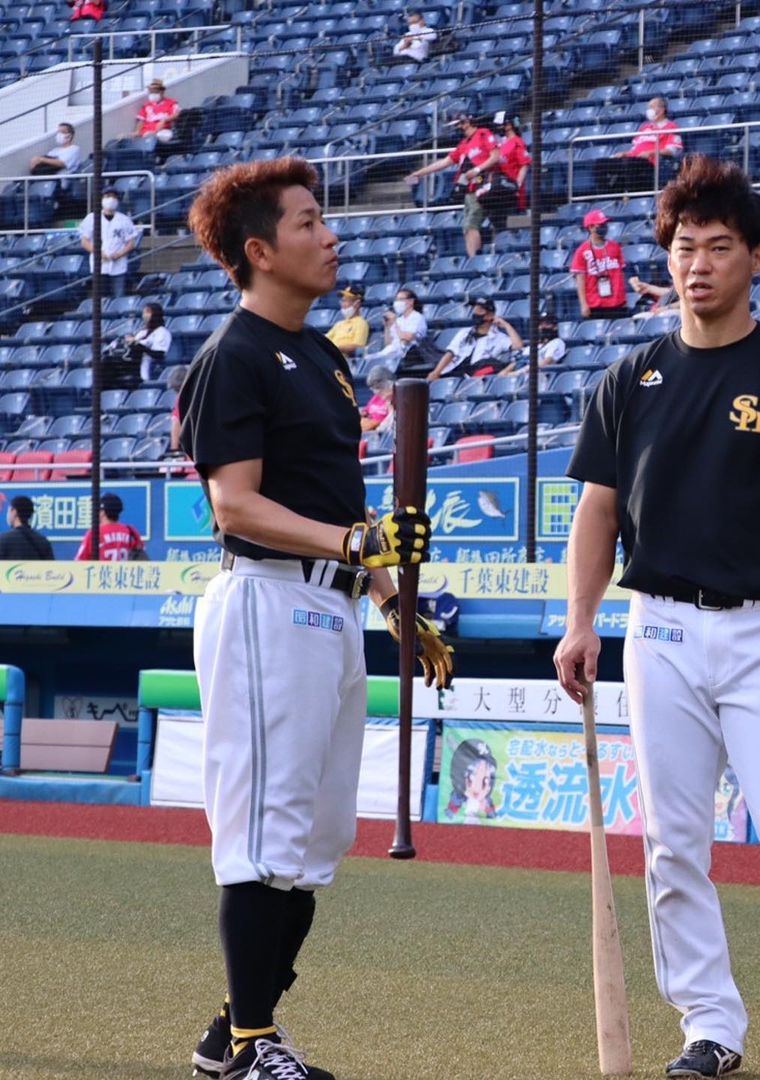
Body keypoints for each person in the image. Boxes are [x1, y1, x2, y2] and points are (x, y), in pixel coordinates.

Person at [553, 157, 760, 1080]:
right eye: (685, 247)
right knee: (672, 842)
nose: (698, 264)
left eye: (719, 247)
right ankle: (710, 1026)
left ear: (756, 258)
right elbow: (596, 512)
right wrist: (580, 620)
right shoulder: (629, 378)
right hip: (660, 630)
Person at [178, 157, 452, 1080]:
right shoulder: (233, 356)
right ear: (259, 251)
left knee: (314, 840)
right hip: (265, 600)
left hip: (330, 607)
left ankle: (232, 1030)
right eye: (306, 222)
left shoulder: (324, 356)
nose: (329, 236)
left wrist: (391, 600)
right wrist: (355, 542)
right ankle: (254, 1048)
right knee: (266, 835)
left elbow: (343, 504)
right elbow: (235, 506)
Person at [404, 104, 499, 256]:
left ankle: (474, 258)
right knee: (467, 227)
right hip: (469, 189)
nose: (457, 128)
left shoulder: (483, 134)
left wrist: (477, 170)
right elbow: (444, 163)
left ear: (466, 122)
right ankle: (473, 257)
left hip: (484, 181)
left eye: (458, 124)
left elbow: (495, 156)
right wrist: (418, 173)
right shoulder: (463, 145)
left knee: (471, 224)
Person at [596, 96, 683, 195]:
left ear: (662, 110)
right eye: (649, 108)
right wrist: (625, 153)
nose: (649, 110)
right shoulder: (644, 127)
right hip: (634, 159)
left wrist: (650, 152)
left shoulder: (671, 126)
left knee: (628, 164)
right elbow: (635, 149)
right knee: (600, 164)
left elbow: (673, 150)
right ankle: (609, 196)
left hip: (651, 162)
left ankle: (632, 196)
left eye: (652, 107)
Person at [428, 296, 522, 380]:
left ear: (490, 315)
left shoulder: (499, 337)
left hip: (478, 374)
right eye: (474, 309)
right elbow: (450, 353)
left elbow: (518, 346)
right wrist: (436, 372)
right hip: (455, 370)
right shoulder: (464, 332)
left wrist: (506, 325)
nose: (475, 312)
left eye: (480, 310)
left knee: (492, 364)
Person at [78, 188, 139, 299]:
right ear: (101, 199)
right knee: (100, 299)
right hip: (99, 264)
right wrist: (99, 253)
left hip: (119, 264)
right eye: (107, 196)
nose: (111, 199)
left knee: (118, 297)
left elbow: (131, 243)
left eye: (114, 197)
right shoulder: (91, 218)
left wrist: (119, 254)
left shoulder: (124, 220)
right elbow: (84, 241)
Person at [571, 210, 628, 320]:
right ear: (591, 227)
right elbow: (580, 279)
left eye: (605, 224)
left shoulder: (615, 246)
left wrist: (624, 298)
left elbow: (621, 273)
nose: (604, 227)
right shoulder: (582, 251)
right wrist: (583, 304)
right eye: (601, 224)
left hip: (617, 302)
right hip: (595, 305)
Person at [371, 287, 429, 371]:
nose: (397, 302)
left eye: (401, 299)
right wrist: (387, 326)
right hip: (393, 353)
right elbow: (388, 343)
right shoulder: (399, 320)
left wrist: (394, 323)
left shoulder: (417, 317)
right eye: (396, 300)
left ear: (411, 301)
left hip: (411, 355)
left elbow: (407, 337)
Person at [74, 493, 146, 561]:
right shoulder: (130, 531)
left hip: (102, 570)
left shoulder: (95, 533)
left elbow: (79, 561)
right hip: (124, 570)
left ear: (103, 512)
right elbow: (141, 558)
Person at [500, 309, 565, 373]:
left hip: (539, 375)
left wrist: (517, 373)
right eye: (540, 324)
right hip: (520, 374)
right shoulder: (536, 345)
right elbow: (518, 362)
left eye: (547, 324)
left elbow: (546, 362)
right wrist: (503, 374)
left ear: (555, 327)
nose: (542, 327)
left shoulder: (557, 342)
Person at [125, 301, 172, 383]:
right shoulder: (142, 332)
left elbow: (159, 355)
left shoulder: (162, 332)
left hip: (147, 370)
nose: (145, 315)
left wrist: (139, 345)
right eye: (144, 313)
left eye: (148, 312)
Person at [324, 283, 370, 368]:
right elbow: (325, 340)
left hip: (344, 363)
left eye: (346, 301)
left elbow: (358, 346)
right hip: (330, 359)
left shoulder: (361, 323)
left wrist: (336, 348)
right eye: (342, 300)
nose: (343, 304)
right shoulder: (338, 324)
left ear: (357, 303)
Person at [494, 110, 531, 213]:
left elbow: (524, 165)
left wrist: (517, 185)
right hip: (500, 189)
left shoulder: (517, 142)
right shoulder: (502, 143)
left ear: (509, 125)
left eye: (500, 125)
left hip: (512, 191)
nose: (498, 128)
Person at [134, 78, 180, 143]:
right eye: (151, 92)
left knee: (164, 135)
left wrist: (164, 120)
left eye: (155, 92)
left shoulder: (171, 103)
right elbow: (141, 120)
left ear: (162, 92)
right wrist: (137, 131)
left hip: (164, 131)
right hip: (147, 132)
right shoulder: (146, 105)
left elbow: (176, 114)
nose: (153, 94)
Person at [361, 365, 395, 433]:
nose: (376, 392)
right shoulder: (376, 397)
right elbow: (365, 412)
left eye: (379, 387)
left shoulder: (394, 400)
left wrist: (375, 424)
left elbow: (388, 423)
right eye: (373, 388)